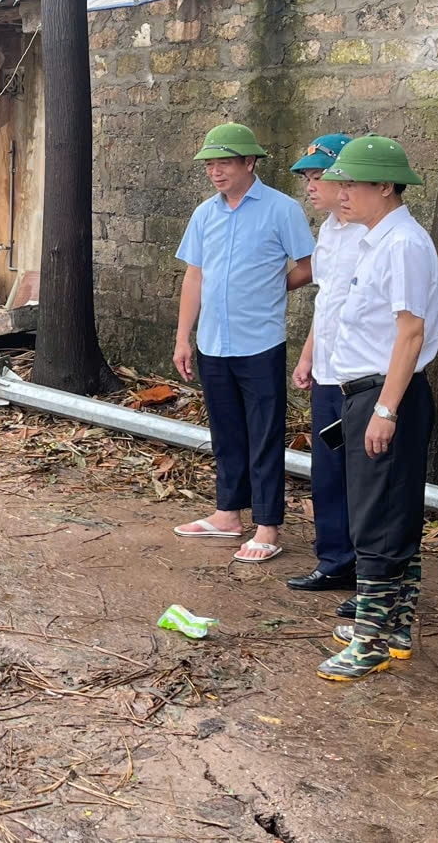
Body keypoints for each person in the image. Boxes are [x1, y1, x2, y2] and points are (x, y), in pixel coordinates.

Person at [316, 135, 438, 681]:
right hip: (369, 392)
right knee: (390, 511)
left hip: (388, 394)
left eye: (352, 184)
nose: (341, 194)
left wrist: (386, 410)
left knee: (377, 519)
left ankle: (370, 640)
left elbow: (410, 334)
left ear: (385, 186)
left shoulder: (403, 245)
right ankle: (394, 626)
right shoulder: (377, 240)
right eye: (339, 183)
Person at [172, 123, 315, 563]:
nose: (216, 172)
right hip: (214, 342)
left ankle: (267, 525)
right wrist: (183, 338)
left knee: (264, 435)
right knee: (226, 433)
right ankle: (226, 513)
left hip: (260, 343)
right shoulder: (204, 215)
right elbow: (194, 275)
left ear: (249, 163)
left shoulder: (281, 209)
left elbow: (310, 266)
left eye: (225, 163)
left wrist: (272, 287)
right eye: (210, 164)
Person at [287, 134, 362, 595]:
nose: (310, 186)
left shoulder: (370, 232)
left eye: (319, 176)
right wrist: (309, 354)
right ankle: (334, 559)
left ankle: (369, 571)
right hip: (329, 372)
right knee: (327, 470)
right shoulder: (331, 229)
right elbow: (327, 301)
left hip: (361, 376)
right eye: (308, 178)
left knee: (363, 476)